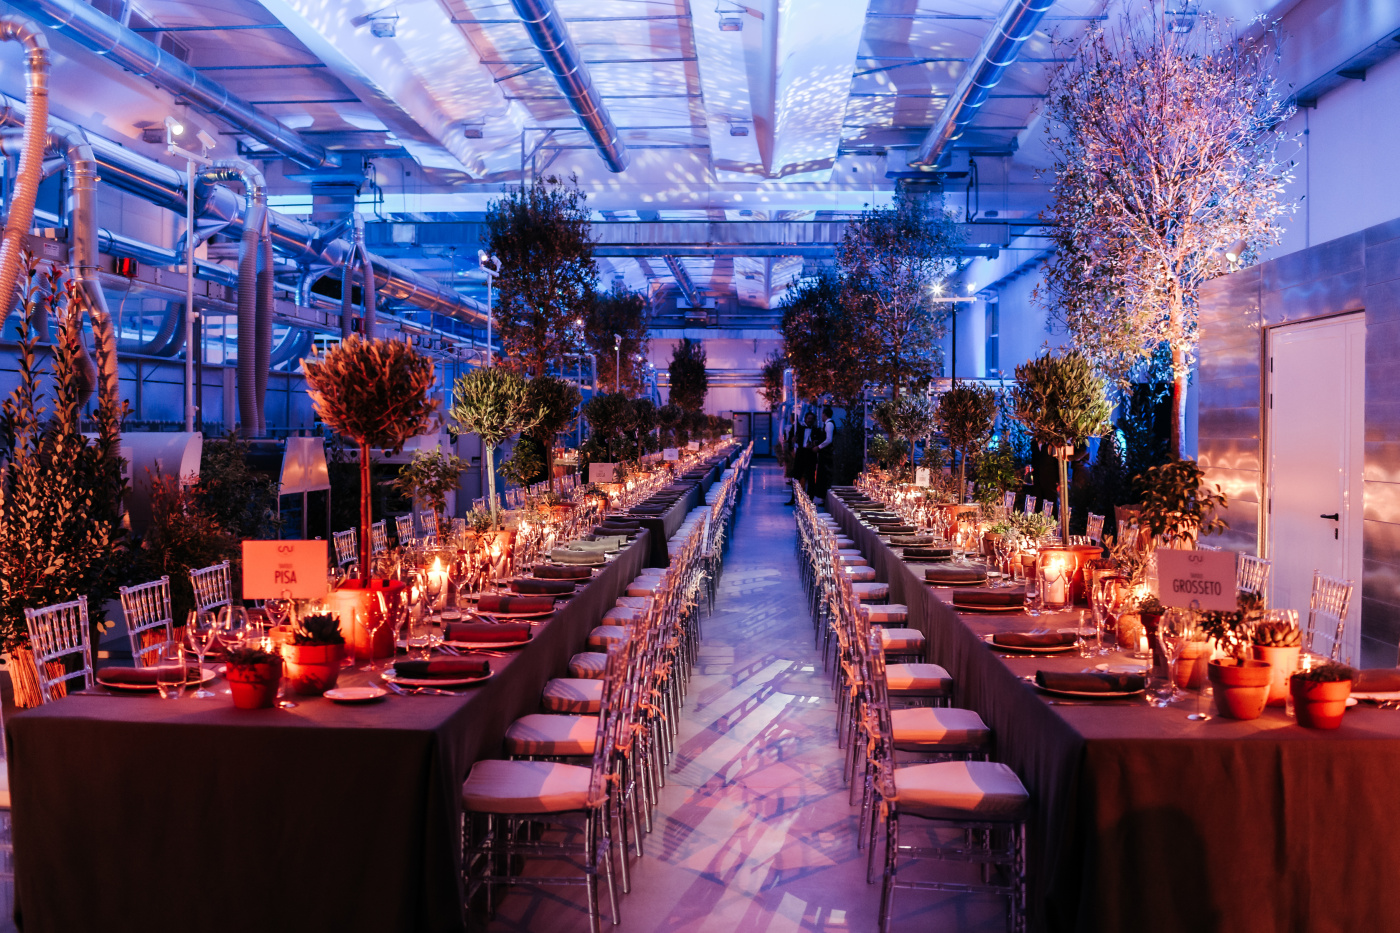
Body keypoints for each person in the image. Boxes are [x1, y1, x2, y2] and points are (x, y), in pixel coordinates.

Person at [785, 411, 818, 505]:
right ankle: (793, 498)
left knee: (811, 478)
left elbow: (818, 442)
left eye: (812, 419)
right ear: (805, 419)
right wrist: (793, 442)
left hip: (811, 455)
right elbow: (793, 440)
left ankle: (810, 500)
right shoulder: (799, 429)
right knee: (796, 477)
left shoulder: (817, 430)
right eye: (808, 418)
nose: (810, 420)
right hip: (800, 453)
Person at [813, 405, 835, 504]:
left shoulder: (829, 424)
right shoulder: (826, 424)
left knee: (824, 474)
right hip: (824, 454)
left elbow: (829, 439)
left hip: (826, 454)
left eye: (822, 414)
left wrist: (819, 447)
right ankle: (822, 496)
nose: (821, 416)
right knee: (821, 474)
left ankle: (824, 497)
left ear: (824, 414)